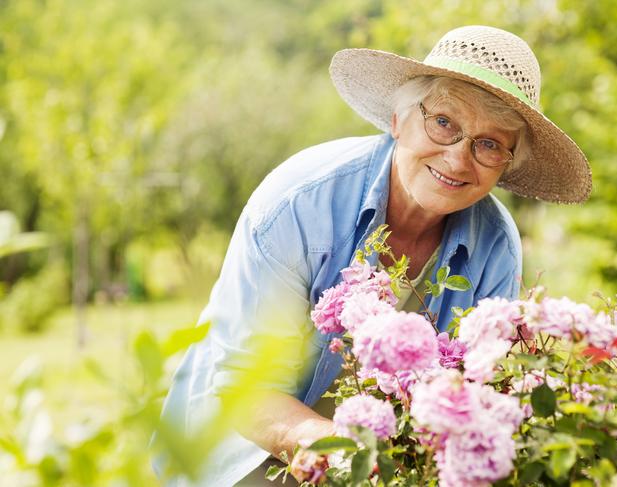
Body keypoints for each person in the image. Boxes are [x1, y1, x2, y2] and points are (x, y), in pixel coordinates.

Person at [156, 25, 591, 486]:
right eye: (444, 123)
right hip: (242, 452)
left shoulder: (496, 247)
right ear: (399, 119)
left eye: (489, 144)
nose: (459, 159)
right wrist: (351, 459)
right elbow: (243, 389)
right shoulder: (301, 204)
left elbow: (474, 394)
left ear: (507, 163)